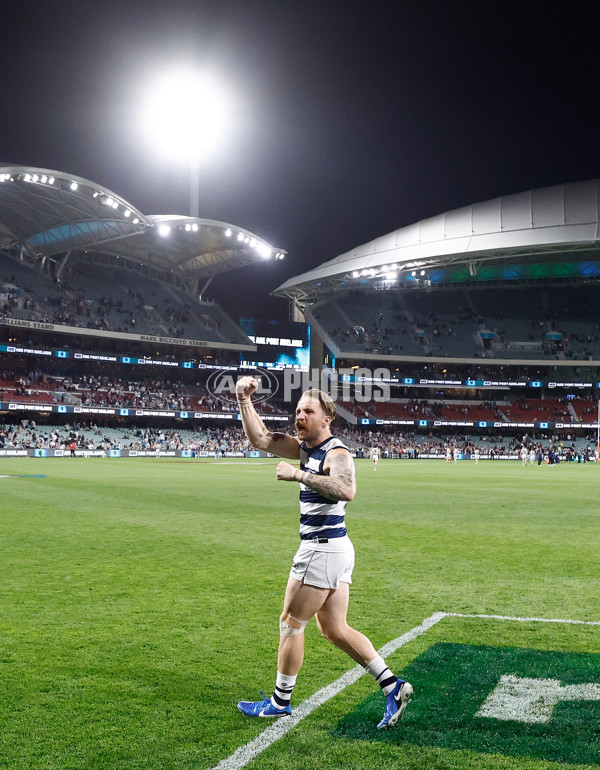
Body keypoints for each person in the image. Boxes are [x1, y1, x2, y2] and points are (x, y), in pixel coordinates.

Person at [235, 378, 413, 729]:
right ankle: (392, 686)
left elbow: (346, 489)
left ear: (326, 418)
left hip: (321, 549)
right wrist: (243, 399)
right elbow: (260, 439)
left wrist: (298, 475)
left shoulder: (336, 452)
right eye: (298, 410)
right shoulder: (305, 447)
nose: (299, 416)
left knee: (290, 623)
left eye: (308, 412)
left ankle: (279, 702)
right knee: (334, 629)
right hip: (336, 548)